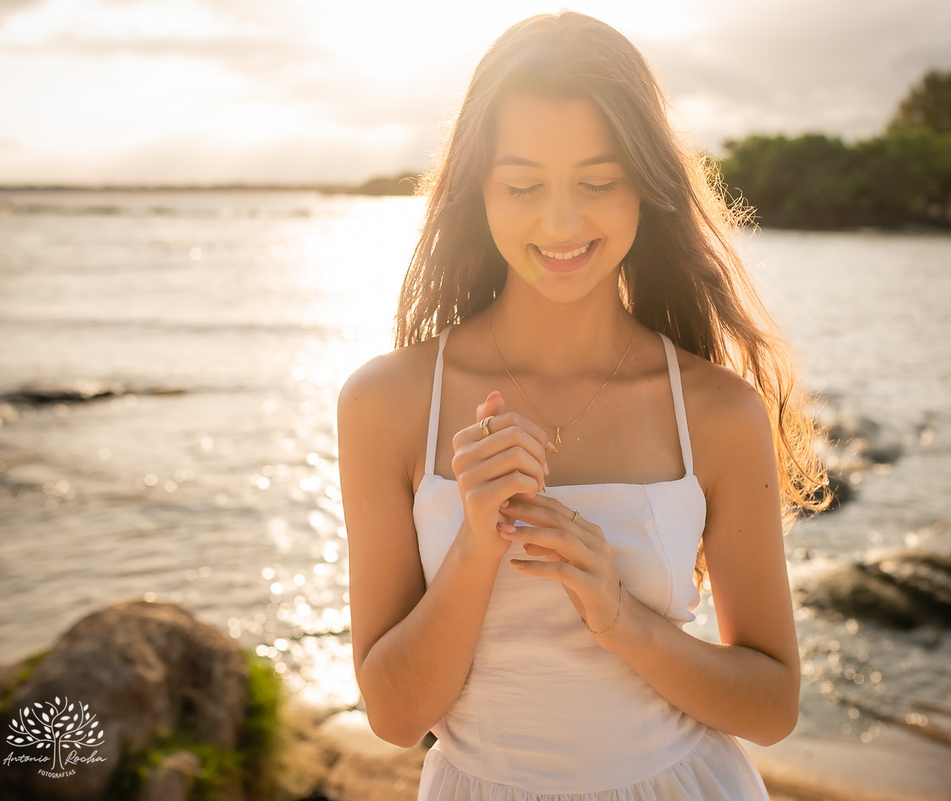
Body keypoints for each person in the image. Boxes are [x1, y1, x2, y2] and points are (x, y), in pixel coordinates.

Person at [336, 10, 829, 800]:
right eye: (524, 185)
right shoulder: (387, 403)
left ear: (645, 186)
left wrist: (619, 617)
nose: (561, 222)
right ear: (479, 191)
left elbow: (771, 705)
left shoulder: (716, 410)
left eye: (597, 183)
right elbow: (395, 715)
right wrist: (476, 542)